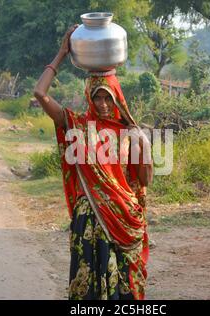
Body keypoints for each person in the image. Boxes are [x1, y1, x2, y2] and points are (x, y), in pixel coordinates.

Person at [34, 26, 153, 300]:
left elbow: (145, 181)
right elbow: (40, 94)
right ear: (89, 95)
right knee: (89, 290)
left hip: (124, 216)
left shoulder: (129, 132)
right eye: (97, 97)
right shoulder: (77, 124)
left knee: (122, 291)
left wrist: (144, 149)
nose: (101, 104)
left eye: (107, 97)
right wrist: (62, 53)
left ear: (116, 98)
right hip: (89, 218)